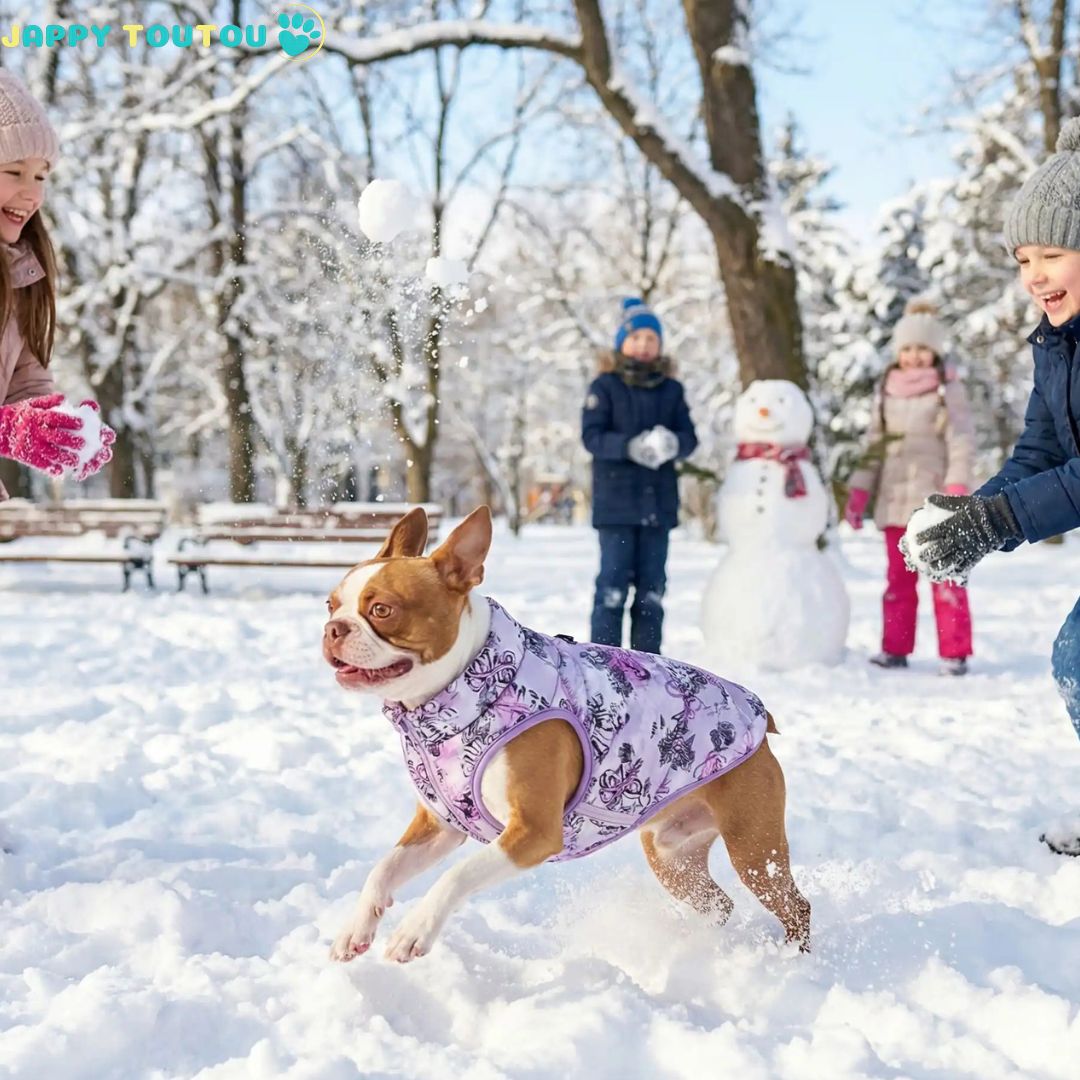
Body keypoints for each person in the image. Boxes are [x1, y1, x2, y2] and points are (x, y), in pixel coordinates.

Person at [907, 117, 1080, 855]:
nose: (1034, 275)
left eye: (1052, 254)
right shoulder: (1057, 346)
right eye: (1022, 259)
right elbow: (1042, 449)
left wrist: (1000, 520)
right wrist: (974, 515)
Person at [846, 298, 975, 675]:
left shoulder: (946, 389)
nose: (914, 357)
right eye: (907, 349)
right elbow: (874, 446)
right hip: (892, 501)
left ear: (934, 352)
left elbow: (961, 439)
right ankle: (895, 648)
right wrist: (858, 492)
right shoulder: (886, 389)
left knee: (944, 578)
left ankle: (954, 653)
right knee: (897, 582)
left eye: (922, 349)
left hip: (935, 502)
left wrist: (957, 484)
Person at [0, 70, 113, 498]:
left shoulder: (17, 274)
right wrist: (6, 429)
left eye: (41, 176)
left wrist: (57, 428)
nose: (32, 195)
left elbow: (23, 384)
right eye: (14, 172)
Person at [581, 297, 697, 653]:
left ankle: (648, 665)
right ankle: (604, 660)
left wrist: (671, 444)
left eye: (652, 338)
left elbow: (690, 437)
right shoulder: (605, 387)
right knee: (612, 587)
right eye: (637, 338)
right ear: (622, 343)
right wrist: (629, 446)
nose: (644, 345)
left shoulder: (672, 390)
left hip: (657, 508)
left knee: (652, 590)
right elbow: (592, 436)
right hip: (616, 507)